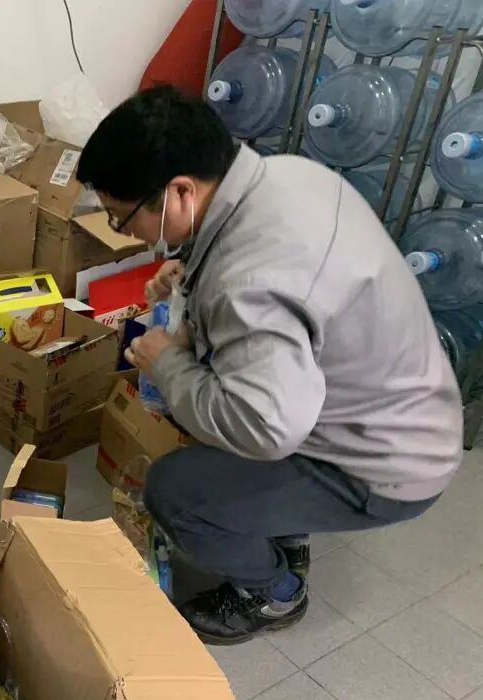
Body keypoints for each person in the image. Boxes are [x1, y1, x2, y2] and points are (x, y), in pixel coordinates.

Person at [76, 86, 463, 644]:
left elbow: (263, 428)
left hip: (385, 464)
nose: (126, 233)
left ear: (181, 191)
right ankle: (283, 522)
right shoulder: (284, 176)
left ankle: (273, 593)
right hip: (402, 406)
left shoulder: (249, 282)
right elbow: (276, 287)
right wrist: (192, 271)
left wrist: (169, 364)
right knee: (205, 400)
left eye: (122, 218)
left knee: (175, 491)